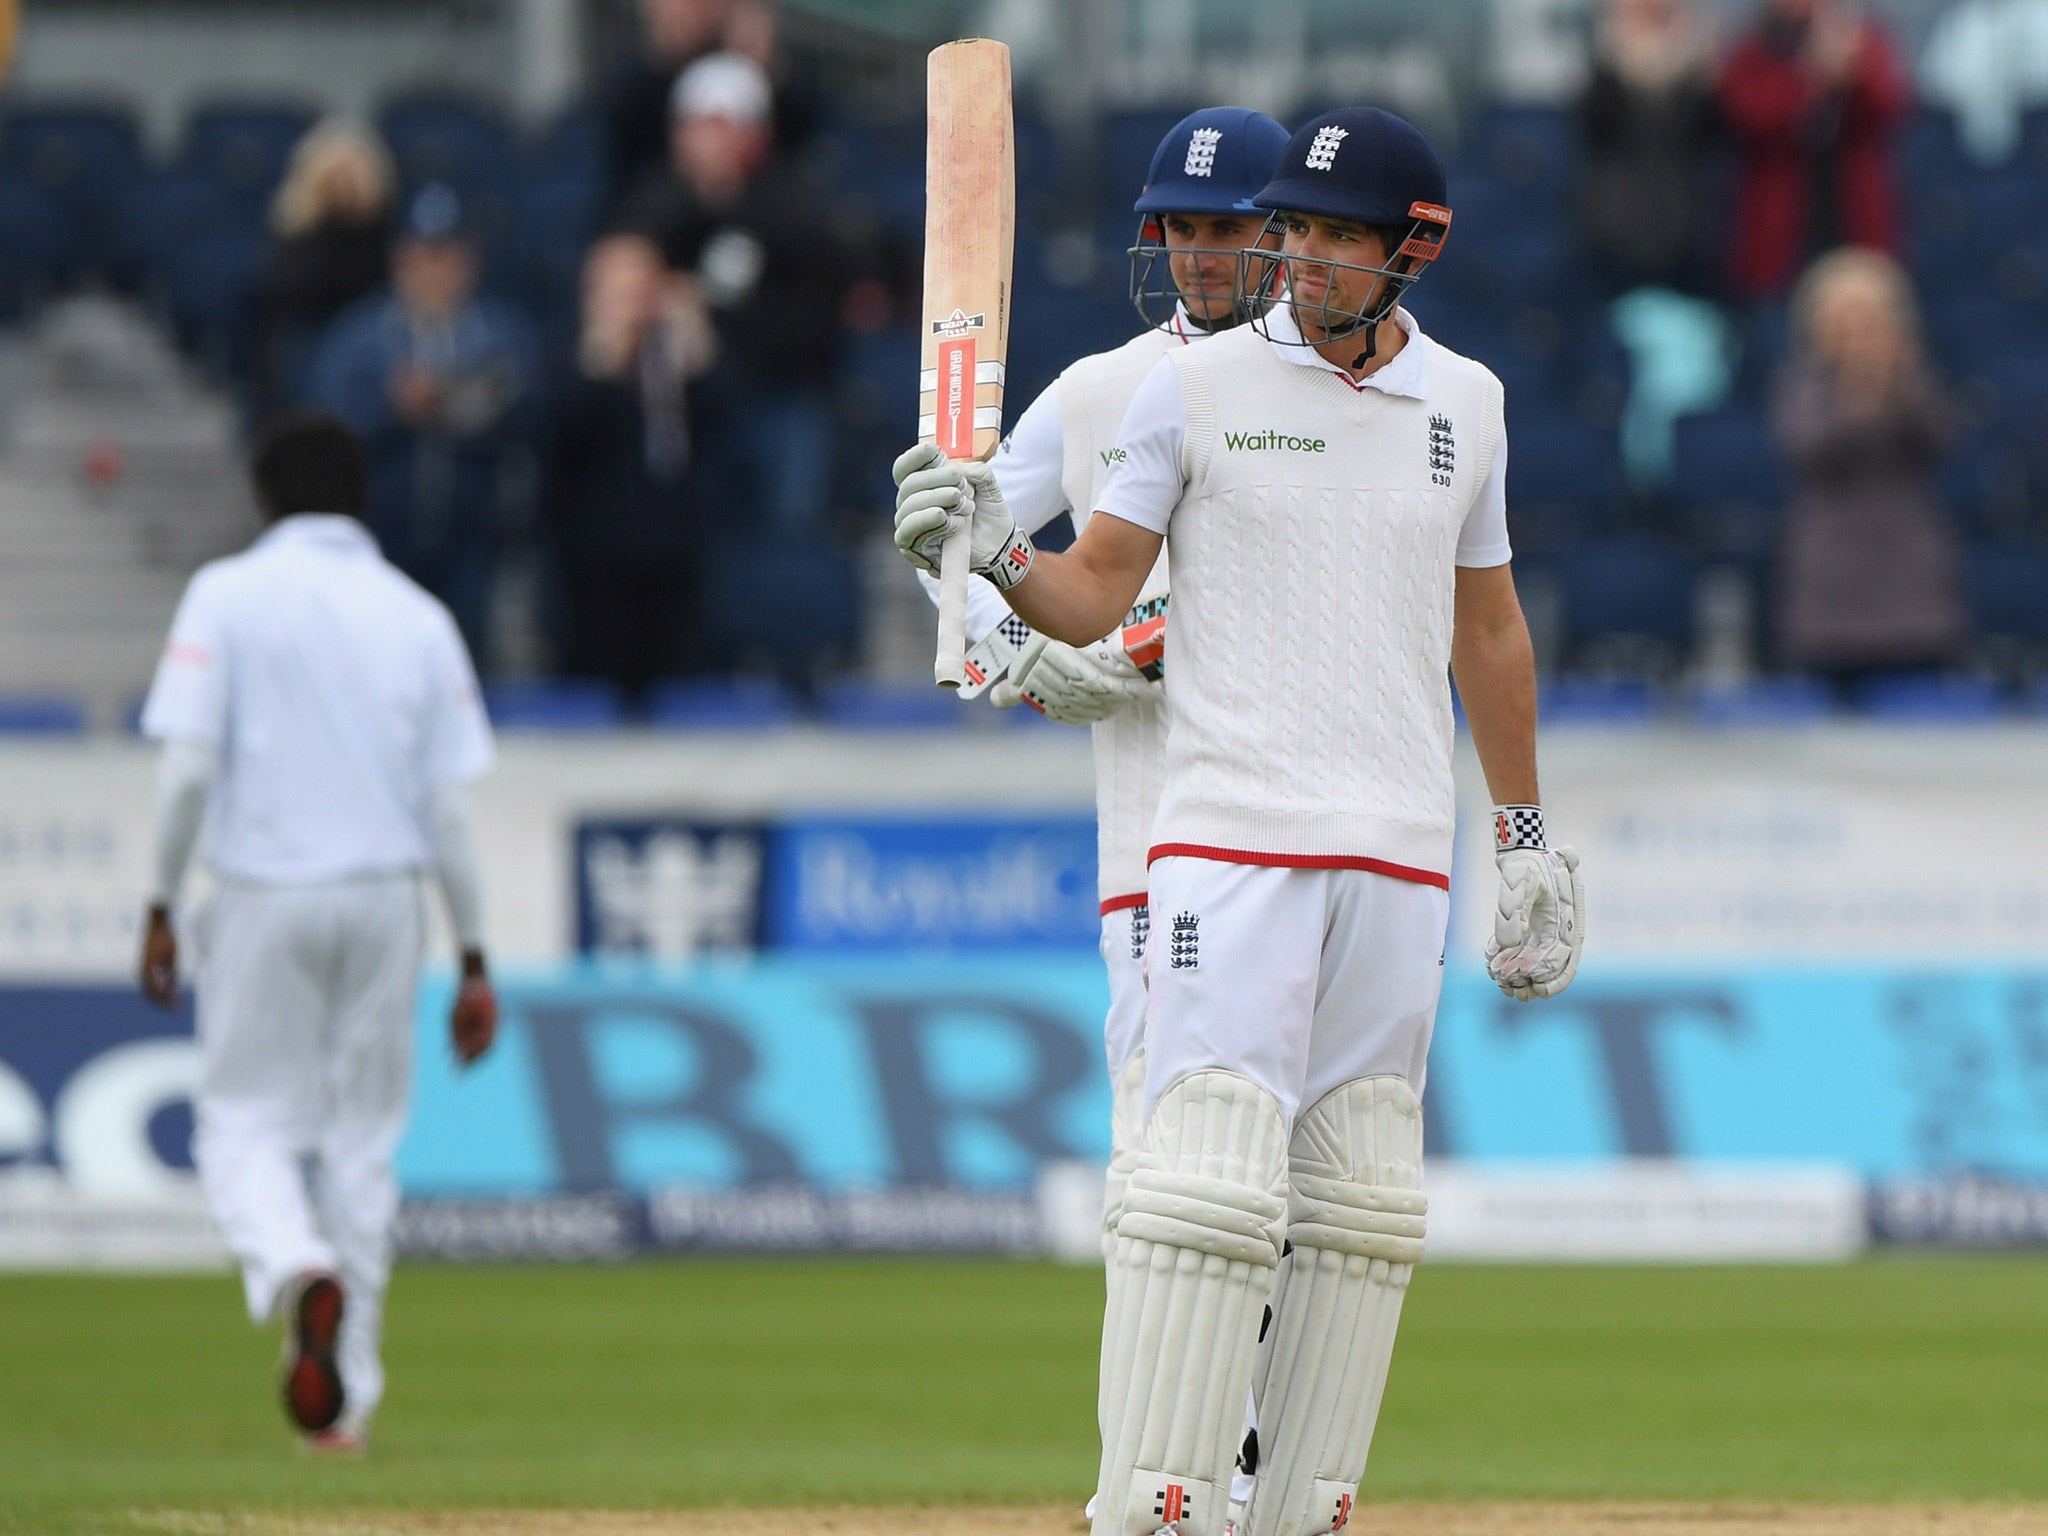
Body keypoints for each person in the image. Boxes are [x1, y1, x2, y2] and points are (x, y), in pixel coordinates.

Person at [893, 108, 1586, 1536]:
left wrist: (1521, 841)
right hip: (1224, 841)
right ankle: (1152, 1508)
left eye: (1334, 235)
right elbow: (1091, 593)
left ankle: (1301, 1509)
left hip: (1399, 854)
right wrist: (994, 556)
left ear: (1414, 249)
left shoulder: (1473, 403)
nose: (1300, 257)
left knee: (1358, 1205)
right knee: (1199, 1182)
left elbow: (1493, 630)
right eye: (1295, 230)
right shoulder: (1188, 390)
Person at [917, 106, 1290, 1521]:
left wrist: (1119, 652)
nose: (1202, 255)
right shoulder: (1089, 393)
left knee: (1292, 1202)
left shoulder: (1333, 404)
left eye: (1227, 229)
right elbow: (968, 549)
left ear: (1282, 237)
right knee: (1165, 1181)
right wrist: (1004, 646)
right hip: (1155, 853)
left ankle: (1242, 1467)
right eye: (1183, 231)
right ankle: (1151, 1484)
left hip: (1314, 838)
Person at [135, 413, 499, 1452]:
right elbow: (450, 813)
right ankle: (346, 1409)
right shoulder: (417, 614)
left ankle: (294, 1264)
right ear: (362, 499)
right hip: (386, 896)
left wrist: (161, 903)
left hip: (262, 889)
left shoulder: (226, 596)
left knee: (244, 1121)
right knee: (362, 1146)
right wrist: (474, 957)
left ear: (265, 497)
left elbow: (189, 770)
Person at [307, 184, 540, 670]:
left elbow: (529, 410)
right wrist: (393, 409)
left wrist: (461, 404)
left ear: (468, 262)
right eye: (423, 258)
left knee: (463, 665)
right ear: (401, 262)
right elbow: (328, 431)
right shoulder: (361, 340)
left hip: (472, 534)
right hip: (383, 536)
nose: (435, 273)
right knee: (380, 667)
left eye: (446, 257)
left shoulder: (501, 331)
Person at [619, 51, 844, 544]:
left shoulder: (790, 201)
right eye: (697, 126)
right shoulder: (658, 202)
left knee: (787, 541)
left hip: (784, 399)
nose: (707, 141)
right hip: (700, 410)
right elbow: (629, 267)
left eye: (721, 126)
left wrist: (729, 198)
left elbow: (818, 279)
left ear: (755, 133)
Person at [1772, 247, 1963, 687]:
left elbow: (1939, 439)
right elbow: (1810, 450)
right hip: (1830, 568)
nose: (1857, 327)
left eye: (1868, 314)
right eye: (1846, 314)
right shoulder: (1802, 381)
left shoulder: (1914, 376)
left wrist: (1894, 379)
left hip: (1907, 564)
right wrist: (1860, 391)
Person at [543, 233, 718, 702]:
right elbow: (557, 441)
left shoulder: (674, 355)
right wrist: (601, 359)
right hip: (596, 553)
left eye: (641, 288)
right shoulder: (568, 352)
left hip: (674, 544)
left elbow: (724, 422)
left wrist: (696, 345)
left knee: (679, 691)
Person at [1718, 0, 1911, 299]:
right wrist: (1812, 77)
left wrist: (1852, 74)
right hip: (1779, 234)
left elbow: (1888, 109)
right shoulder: (1752, 48)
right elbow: (1751, 119)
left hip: (1852, 219)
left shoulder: (1860, 39)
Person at [256, 119, 396, 415]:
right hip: (309, 343)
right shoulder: (297, 238)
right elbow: (293, 293)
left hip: (370, 342)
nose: (343, 189)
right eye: (334, 180)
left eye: (351, 179)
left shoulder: (383, 238)